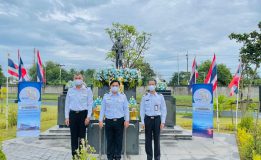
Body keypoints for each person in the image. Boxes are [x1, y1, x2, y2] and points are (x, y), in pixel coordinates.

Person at [99, 80, 130, 160]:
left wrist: (127, 120)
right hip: (109, 121)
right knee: (109, 140)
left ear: (119, 87)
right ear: (110, 86)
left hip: (120, 121)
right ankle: (110, 157)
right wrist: (100, 120)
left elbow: (126, 109)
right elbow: (102, 109)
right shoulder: (106, 96)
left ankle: (117, 157)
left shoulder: (123, 96)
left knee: (118, 141)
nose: (115, 87)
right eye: (113, 85)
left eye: (116, 85)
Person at [64, 73, 93, 158]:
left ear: (82, 79)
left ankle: (82, 156)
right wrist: (66, 117)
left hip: (83, 115)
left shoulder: (87, 90)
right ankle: (74, 156)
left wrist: (88, 117)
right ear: (74, 79)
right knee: (73, 137)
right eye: (76, 78)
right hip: (72, 115)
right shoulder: (70, 90)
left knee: (82, 137)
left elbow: (90, 104)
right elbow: (67, 104)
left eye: (79, 78)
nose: (77, 79)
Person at [140, 79, 167, 160]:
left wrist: (163, 122)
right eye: (150, 84)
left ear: (155, 85)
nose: (151, 86)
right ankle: (149, 157)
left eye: (153, 84)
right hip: (148, 119)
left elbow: (163, 109)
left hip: (157, 120)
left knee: (157, 139)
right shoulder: (145, 97)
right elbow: (142, 110)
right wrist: (142, 121)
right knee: (147, 140)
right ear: (148, 85)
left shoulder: (160, 96)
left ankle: (157, 157)